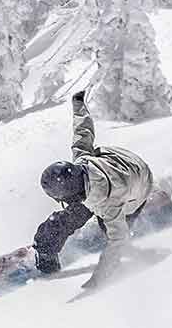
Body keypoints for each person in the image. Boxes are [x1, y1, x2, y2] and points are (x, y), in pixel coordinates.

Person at [32, 90, 155, 276]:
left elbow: (118, 238)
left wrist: (100, 279)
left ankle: (46, 253)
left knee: (98, 223)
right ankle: (124, 221)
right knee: (87, 214)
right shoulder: (82, 160)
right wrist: (79, 104)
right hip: (128, 165)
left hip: (138, 189)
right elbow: (83, 131)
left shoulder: (106, 202)